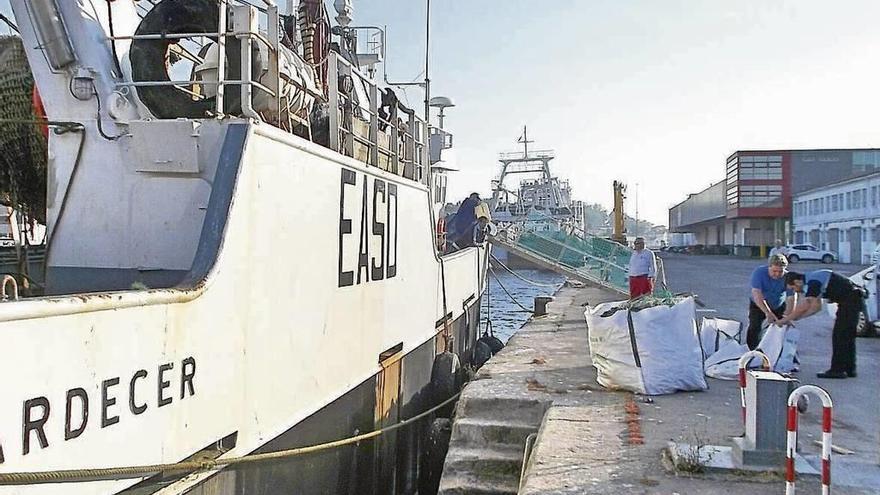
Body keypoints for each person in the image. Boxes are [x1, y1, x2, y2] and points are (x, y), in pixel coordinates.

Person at [778, 270, 863, 379]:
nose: (795, 291)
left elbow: (809, 305)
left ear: (797, 282)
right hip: (852, 300)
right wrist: (796, 318)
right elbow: (815, 307)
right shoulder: (812, 278)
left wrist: (786, 320)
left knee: (839, 336)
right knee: (847, 336)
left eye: (793, 288)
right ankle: (850, 369)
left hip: (850, 301)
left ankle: (837, 370)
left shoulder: (812, 282)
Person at [746, 254, 793, 350]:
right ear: (769, 267)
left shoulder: (788, 277)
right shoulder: (759, 273)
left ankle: (777, 350)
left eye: (780, 271)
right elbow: (757, 294)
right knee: (755, 327)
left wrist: (788, 316)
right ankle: (751, 350)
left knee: (782, 327)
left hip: (778, 304)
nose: (777, 274)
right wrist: (768, 313)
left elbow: (791, 298)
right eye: (774, 271)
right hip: (758, 304)